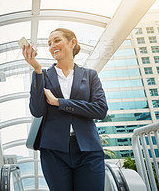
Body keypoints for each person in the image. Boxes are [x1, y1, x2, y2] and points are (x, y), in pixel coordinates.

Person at [22, 28, 108, 191]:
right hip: (54, 151)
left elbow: (100, 110)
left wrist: (59, 102)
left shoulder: (90, 75)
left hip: (88, 149)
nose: (52, 45)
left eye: (57, 40)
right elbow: (37, 110)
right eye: (49, 43)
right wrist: (37, 70)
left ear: (72, 42)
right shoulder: (43, 75)